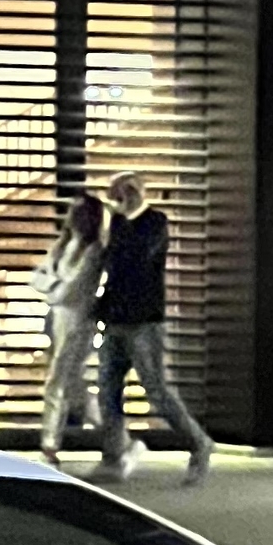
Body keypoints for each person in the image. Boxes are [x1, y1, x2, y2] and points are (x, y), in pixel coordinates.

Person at [93, 171, 216, 487]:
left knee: (157, 390)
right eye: (115, 192)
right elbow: (110, 264)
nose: (119, 198)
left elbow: (137, 258)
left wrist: (125, 217)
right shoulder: (116, 225)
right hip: (115, 321)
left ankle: (198, 443)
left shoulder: (154, 223)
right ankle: (113, 456)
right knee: (107, 390)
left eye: (125, 191)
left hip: (145, 322)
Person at [36, 190, 106, 463]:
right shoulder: (63, 244)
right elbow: (38, 277)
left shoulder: (93, 250)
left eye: (81, 212)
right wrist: (55, 288)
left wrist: (52, 287)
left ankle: (49, 444)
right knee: (73, 384)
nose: (75, 216)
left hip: (77, 322)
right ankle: (114, 436)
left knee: (57, 380)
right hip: (56, 318)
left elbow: (72, 290)